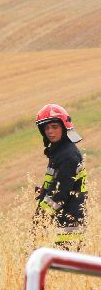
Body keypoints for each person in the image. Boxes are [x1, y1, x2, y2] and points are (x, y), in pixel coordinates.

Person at [34, 104, 87, 249]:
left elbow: (59, 194)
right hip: (62, 222)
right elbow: (60, 183)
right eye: (47, 128)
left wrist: (40, 218)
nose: (50, 132)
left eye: (55, 126)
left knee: (62, 270)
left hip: (67, 227)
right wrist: (44, 191)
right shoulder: (59, 152)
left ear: (64, 127)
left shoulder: (67, 155)